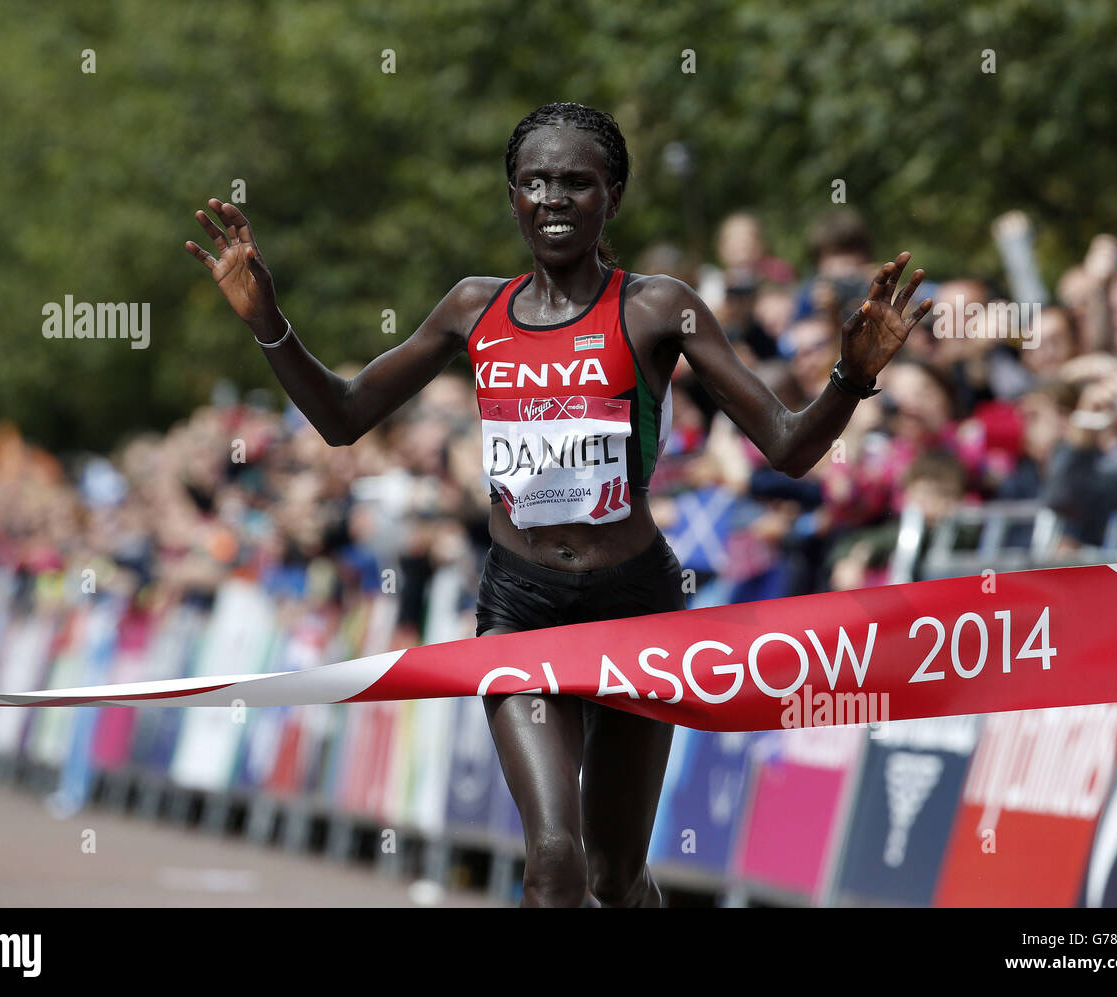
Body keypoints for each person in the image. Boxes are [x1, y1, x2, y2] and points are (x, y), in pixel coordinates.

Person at [184, 101, 931, 907]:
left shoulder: (657, 307)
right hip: (523, 607)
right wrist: (270, 326)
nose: (552, 198)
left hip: (636, 606)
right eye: (534, 182)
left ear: (611, 196)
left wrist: (852, 378)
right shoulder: (474, 308)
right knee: (553, 857)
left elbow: (787, 446)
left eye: (576, 182)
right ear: (511, 196)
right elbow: (341, 415)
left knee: (614, 873)